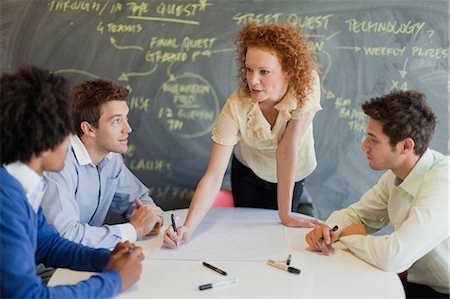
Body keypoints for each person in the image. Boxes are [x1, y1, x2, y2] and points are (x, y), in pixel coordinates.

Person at [164, 22, 322, 248]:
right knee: (248, 235)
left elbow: (287, 149)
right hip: (249, 171)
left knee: (279, 237)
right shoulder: (236, 106)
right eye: (249, 69)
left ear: (288, 71)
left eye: (264, 72)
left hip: (291, 171)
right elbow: (214, 176)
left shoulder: (307, 86)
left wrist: (285, 216)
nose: (253, 80)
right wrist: (187, 227)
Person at [0, 65, 144, 298]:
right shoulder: (5, 202)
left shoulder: (22, 186)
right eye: (65, 135)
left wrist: (107, 259)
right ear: (43, 143)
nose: (70, 144)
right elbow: (28, 296)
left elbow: (49, 245)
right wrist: (114, 280)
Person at [305, 90, 449, 298]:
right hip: (417, 282)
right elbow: (357, 215)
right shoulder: (396, 174)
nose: (364, 146)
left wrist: (347, 236)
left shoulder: (443, 184)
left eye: (373, 139)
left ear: (406, 146)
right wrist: (330, 229)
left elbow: (394, 256)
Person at [41, 78, 164, 249]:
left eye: (126, 118)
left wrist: (149, 216)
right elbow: (65, 235)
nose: (127, 129)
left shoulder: (110, 157)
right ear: (89, 129)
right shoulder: (59, 164)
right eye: (116, 121)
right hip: (45, 269)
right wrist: (134, 229)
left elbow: (137, 198)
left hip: (85, 257)